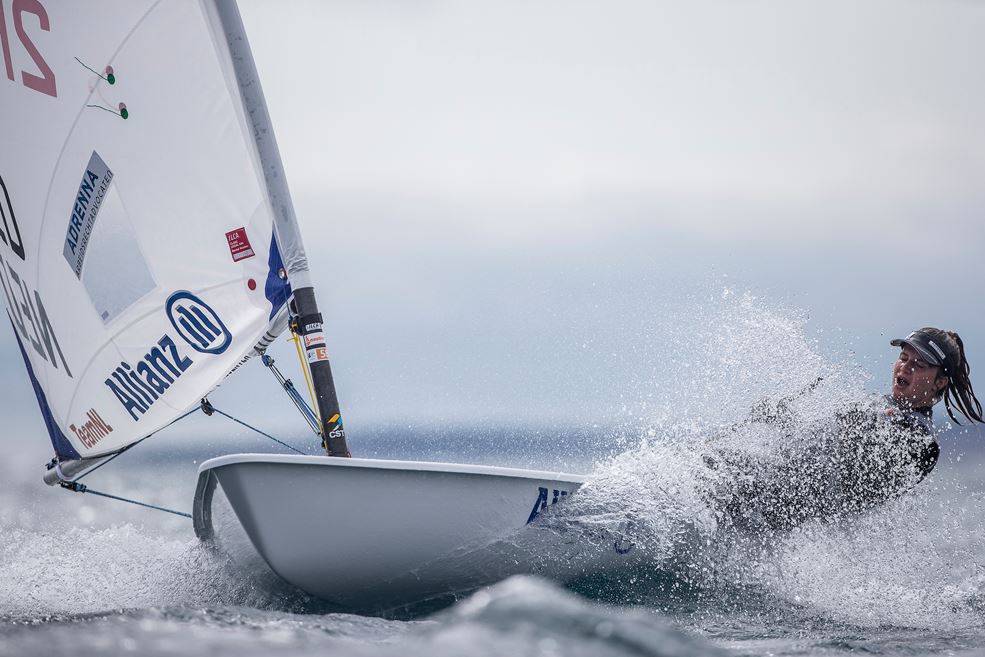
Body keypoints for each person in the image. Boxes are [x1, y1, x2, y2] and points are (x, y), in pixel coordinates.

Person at [708, 327, 983, 531]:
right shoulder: (881, 405)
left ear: (940, 383)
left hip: (783, 505)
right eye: (903, 357)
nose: (906, 367)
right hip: (773, 480)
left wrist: (868, 425)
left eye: (919, 364)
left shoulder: (923, 445)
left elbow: (860, 479)